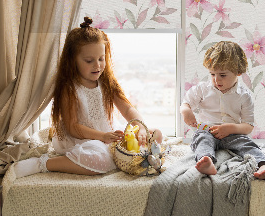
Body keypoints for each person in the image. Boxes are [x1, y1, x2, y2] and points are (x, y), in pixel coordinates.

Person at [14, 17, 162, 178]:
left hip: (107, 134)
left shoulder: (106, 82)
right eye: (89, 61)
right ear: (73, 61)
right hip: (81, 139)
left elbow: (127, 109)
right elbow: (73, 128)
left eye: (101, 58)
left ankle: (133, 157)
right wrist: (103, 136)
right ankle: (43, 164)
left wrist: (140, 126)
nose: (97, 65)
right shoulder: (69, 88)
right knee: (101, 160)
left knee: (156, 134)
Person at [180, 41, 265, 181]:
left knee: (247, 145)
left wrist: (230, 128)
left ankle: (264, 166)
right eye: (212, 74)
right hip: (208, 130)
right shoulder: (203, 89)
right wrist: (186, 111)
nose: (216, 79)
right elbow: (185, 103)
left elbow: (248, 126)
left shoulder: (244, 96)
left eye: (222, 75)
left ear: (238, 72)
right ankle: (207, 161)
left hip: (232, 133)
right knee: (202, 140)